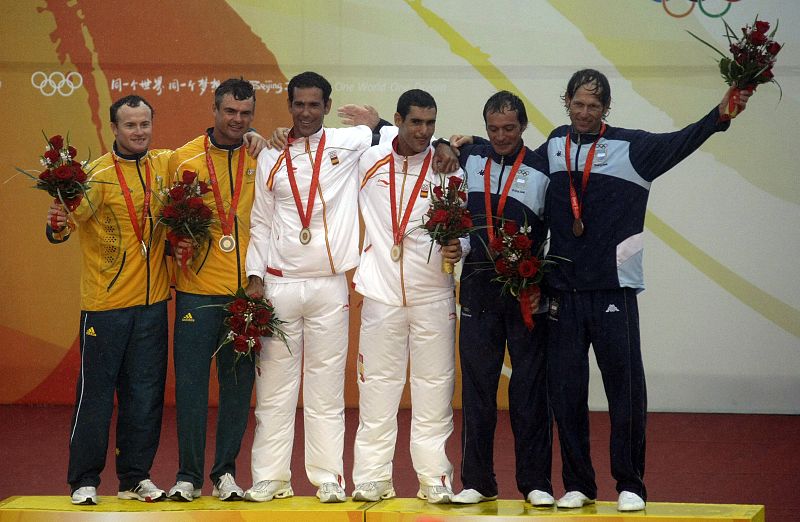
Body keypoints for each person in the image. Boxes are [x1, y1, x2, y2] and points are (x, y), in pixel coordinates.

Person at [539, 69, 752, 512]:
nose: (583, 113)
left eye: (593, 106)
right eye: (577, 104)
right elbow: (516, 161)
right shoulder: (555, 144)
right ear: (566, 102)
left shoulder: (634, 148)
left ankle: (631, 483)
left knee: (625, 390)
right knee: (566, 391)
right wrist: (464, 146)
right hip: (562, 290)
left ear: (607, 109)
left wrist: (721, 114)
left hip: (613, 291)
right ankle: (578, 483)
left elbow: (684, 139)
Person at [244, 71, 382, 504]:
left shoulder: (349, 142)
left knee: (325, 388)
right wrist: (254, 278)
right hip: (280, 285)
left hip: (329, 285)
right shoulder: (269, 155)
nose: (305, 112)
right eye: (298, 104)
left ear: (326, 105)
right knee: (275, 389)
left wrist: (376, 122)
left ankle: (328, 479)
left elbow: (396, 138)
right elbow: (261, 222)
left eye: (314, 105)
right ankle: (270, 477)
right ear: (289, 106)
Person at [46, 95, 171, 505]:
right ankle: (84, 480)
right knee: (96, 396)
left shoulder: (163, 165)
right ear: (114, 129)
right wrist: (58, 223)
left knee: (146, 396)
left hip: (152, 306)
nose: (140, 132)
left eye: (145, 124)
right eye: (131, 125)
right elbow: (65, 224)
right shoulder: (94, 176)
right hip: (106, 307)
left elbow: (208, 149)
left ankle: (135, 477)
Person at [350, 89, 462, 504]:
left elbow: (461, 233)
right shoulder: (369, 160)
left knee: (434, 388)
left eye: (431, 123)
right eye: (416, 122)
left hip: (433, 294)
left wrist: (459, 249)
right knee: (377, 388)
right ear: (397, 120)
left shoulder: (448, 169)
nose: (424, 131)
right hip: (380, 293)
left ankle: (435, 477)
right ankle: (373, 477)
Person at [444, 91, 554, 506]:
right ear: (485, 128)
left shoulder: (543, 166)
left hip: (525, 292)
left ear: (523, 127)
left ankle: (537, 482)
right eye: (494, 129)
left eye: (510, 128)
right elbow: (427, 142)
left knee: (529, 392)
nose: (502, 136)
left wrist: (548, 281)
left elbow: (556, 227)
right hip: (477, 288)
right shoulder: (470, 157)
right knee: (477, 392)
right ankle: (477, 480)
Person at [165, 78, 265, 502]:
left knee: (238, 389)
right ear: (215, 109)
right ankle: (188, 475)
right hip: (196, 291)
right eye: (230, 112)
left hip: (245, 293)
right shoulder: (182, 158)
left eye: (245, 114)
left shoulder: (262, 156)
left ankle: (225, 474)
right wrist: (176, 243)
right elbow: (165, 222)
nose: (237, 121)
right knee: (189, 387)